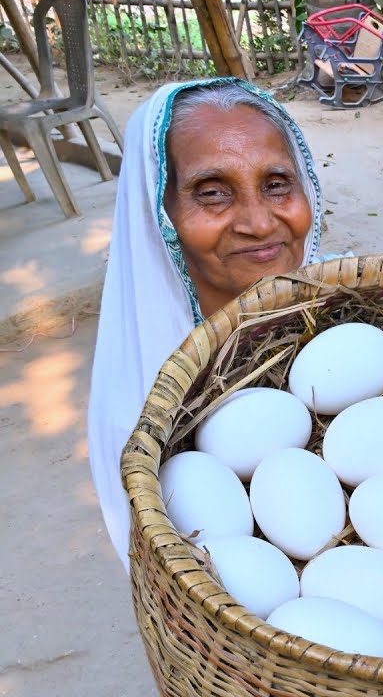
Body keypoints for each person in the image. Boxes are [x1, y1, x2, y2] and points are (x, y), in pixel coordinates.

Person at [87, 79, 324, 571]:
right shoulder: (144, 408)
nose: (258, 222)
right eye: (213, 193)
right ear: (159, 212)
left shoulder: (357, 320)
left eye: (277, 183)